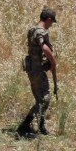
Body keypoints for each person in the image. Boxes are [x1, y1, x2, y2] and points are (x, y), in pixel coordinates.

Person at [18, 8, 58, 138]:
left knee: (40, 100)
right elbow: (44, 47)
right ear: (48, 20)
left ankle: (40, 125)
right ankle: (25, 125)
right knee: (44, 100)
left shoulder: (32, 29)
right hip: (37, 70)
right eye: (52, 22)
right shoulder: (40, 32)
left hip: (32, 69)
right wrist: (52, 61)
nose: (51, 25)